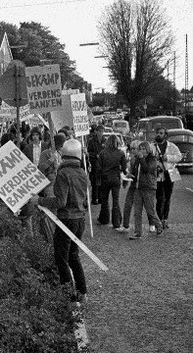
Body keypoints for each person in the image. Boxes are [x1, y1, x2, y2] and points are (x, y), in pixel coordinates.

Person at [31, 139, 88, 303]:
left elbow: (60, 202)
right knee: (73, 256)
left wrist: (39, 201)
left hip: (67, 220)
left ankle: (68, 295)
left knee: (61, 258)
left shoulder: (63, 173)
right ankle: (82, 291)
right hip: (79, 219)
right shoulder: (82, 173)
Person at [129, 141, 164, 239]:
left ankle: (159, 225)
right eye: (140, 149)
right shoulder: (137, 159)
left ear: (148, 150)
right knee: (137, 212)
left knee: (150, 211)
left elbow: (147, 169)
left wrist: (141, 158)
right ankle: (137, 232)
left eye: (144, 149)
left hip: (149, 188)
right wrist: (130, 175)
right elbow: (137, 173)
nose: (142, 151)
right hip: (138, 188)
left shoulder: (152, 159)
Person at [153, 127, 182, 229]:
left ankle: (165, 219)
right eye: (158, 133)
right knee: (159, 198)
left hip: (170, 174)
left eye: (161, 133)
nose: (159, 135)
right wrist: (156, 163)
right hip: (158, 176)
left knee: (168, 198)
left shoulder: (172, 146)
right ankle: (158, 221)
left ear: (165, 135)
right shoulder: (153, 146)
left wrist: (168, 158)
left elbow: (179, 156)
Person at [96, 134, 126, 228]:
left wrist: (99, 178)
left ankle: (104, 219)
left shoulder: (102, 153)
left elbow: (98, 167)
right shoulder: (121, 153)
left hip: (105, 178)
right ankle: (116, 222)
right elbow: (124, 168)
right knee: (115, 201)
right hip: (116, 178)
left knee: (104, 200)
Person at [87, 125, 105, 205]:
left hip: (102, 164)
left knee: (102, 182)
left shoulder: (105, 141)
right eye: (99, 131)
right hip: (94, 163)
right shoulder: (91, 141)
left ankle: (101, 198)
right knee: (94, 182)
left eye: (102, 131)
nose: (101, 133)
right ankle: (94, 198)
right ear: (96, 132)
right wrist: (95, 155)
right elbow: (88, 152)